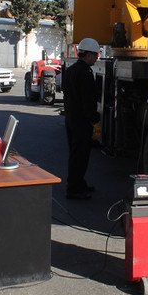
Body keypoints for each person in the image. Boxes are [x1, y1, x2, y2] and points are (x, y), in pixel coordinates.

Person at [62, 38, 101, 200]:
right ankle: (74, 189)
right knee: (81, 156)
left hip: (71, 119)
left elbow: (66, 93)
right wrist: (94, 119)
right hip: (81, 122)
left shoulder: (71, 70)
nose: (97, 58)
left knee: (75, 153)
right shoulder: (85, 73)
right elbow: (88, 100)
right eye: (95, 55)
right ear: (88, 55)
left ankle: (78, 183)